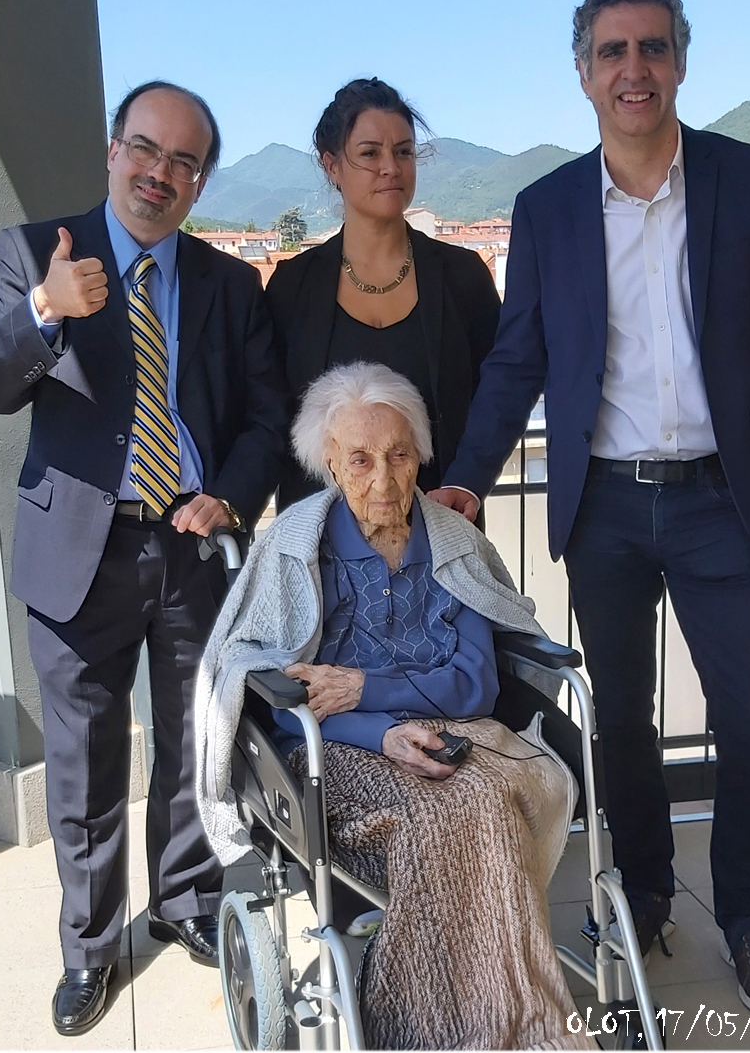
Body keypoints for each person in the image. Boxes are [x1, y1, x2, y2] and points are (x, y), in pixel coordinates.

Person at [430, 0, 750, 1013]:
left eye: (652, 48)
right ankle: (644, 889)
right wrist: (469, 471)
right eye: (612, 52)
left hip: (723, 501)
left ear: (681, 63)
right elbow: (517, 360)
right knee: (622, 720)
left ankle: (749, 910)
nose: (633, 69)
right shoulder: (549, 206)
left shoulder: (747, 179)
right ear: (584, 73)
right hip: (602, 504)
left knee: (748, 717)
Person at [0, 81, 288, 1036]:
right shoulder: (38, 251)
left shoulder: (230, 283)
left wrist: (227, 494)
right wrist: (45, 309)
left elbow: (268, 417)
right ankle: (90, 948)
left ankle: (183, 902)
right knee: (85, 762)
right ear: (113, 150)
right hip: (78, 553)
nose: (161, 173)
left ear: (199, 182)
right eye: (146, 149)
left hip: (191, 543)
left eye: (185, 162)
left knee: (193, 744)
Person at [196, 362, 593, 1051]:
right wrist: (379, 730)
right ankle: (466, 1026)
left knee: (487, 799)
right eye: (361, 459)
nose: (383, 479)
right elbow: (271, 690)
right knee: (455, 814)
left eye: (399, 454)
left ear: (420, 455)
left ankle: (499, 1019)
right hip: (337, 750)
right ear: (329, 462)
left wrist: (367, 687)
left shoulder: (454, 543)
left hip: (459, 733)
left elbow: (476, 683)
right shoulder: (297, 548)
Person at [264, 77, 501, 510]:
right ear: (332, 165)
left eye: (404, 152)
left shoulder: (463, 278)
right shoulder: (291, 287)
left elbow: (497, 397)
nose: (390, 167)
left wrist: (470, 483)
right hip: (323, 544)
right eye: (370, 153)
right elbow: (269, 417)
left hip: (439, 532)